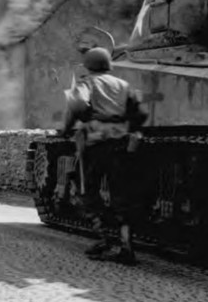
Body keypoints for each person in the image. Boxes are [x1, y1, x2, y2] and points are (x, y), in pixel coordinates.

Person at [62, 47, 148, 265]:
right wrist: (129, 128)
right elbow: (141, 113)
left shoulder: (87, 83)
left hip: (96, 143)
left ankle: (105, 240)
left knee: (87, 191)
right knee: (121, 194)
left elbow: (77, 105)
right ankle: (127, 247)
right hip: (121, 144)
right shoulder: (123, 85)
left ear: (88, 65)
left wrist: (71, 127)